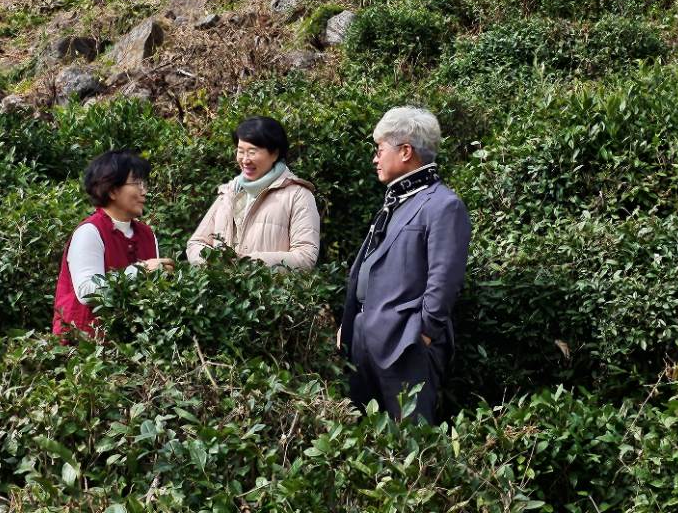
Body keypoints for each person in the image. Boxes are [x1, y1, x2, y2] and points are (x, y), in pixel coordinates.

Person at [337, 106, 471, 423]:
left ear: (406, 151)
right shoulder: (396, 200)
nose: (375, 158)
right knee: (364, 439)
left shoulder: (443, 205)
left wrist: (422, 333)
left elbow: (444, 280)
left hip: (406, 343)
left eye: (380, 150)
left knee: (412, 443)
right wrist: (351, 321)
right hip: (363, 338)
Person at [52, 150, 174, 338]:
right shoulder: (89, 232)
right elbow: (86, 291)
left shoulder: (147, 234)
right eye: (136, 183)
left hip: (131, 344)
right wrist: (141, 270)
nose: (144, 191)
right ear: (112, 190)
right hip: (85, 348)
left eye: (144, 183)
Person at [186, 116, 321, 269]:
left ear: (275, 153)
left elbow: (305, 257)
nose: (245, 160)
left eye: (252, 152)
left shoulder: (297, 195)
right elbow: (196, 243)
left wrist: (247, 264)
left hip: (268, 292)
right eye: (240, 151)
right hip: (223, 291)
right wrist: (214, 262)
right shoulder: (230, 191)